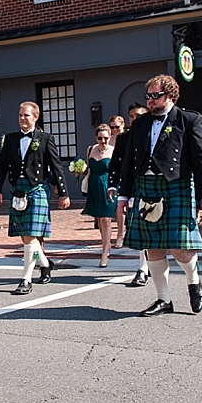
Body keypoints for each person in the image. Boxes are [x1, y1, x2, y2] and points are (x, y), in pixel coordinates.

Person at [117, 74, 202, 317]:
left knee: (180, 247)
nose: (150, 100)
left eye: (155, 95)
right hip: (145, 187)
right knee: (152, 247)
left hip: (177, 187)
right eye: (148, 96)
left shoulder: (189, 120)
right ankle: (163, 299)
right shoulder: (140, 123)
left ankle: (194, 282)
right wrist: (123, 195)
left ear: (170, 95)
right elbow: (129, 160)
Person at [0, 102, 70, 294]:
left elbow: (56, 166)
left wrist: (63, 193)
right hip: (17, 190)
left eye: (26, 115)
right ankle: (45, 264)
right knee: (25, 235)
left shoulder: (45, 138)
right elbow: (1, 165)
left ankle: (26, 279)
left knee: (29, 236)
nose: (22, 118)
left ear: (36, 117)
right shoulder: (10, 139)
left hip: (37, 190)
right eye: (20, 115)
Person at [108, 103, 151, 286]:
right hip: (133, 189)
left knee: (152, 231)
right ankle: (142, 268)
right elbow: (116, 165)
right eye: (132, 116)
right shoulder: (124, 139)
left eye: (139, 115)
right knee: (140, 230)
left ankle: (150, 265)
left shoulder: (153, 134)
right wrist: (112, 186)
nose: (136, 119)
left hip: (153, 189)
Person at [82, 124, 116, 267]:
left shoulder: (114, 151)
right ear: (96, 137)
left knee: (106, 219)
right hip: (95, 185)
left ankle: (105, 253)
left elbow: (117, 171)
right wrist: (80, 170)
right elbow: (88, 169)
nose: (103, 141)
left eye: (106, 138)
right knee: (100, 220)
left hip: (108, 186)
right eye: (100, 138)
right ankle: (105, 244)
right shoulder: (91, 149)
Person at [107, 115, 126, 248]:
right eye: (112, 127)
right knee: (113, 206)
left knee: (120, 206)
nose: (115, 130)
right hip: (110, 173)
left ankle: (121, 234)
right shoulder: (108, 139)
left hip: (123, 174)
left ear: (123, 125)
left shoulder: (125, 138)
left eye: (117, 127)